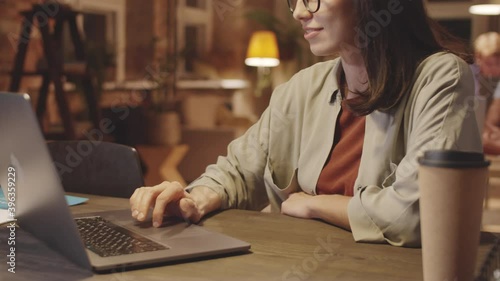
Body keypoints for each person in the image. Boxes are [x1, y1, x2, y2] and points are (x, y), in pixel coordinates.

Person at [130, 0, 481, 247]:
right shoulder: (302, 87)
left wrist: (317, 203)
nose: (299, 12)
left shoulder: (441, 76)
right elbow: (239, 169)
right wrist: (194, 198)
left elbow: (419, 213)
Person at [474, 32, 500, 154]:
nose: (494, 68)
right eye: (489, 64)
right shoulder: (470, 75)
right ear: (478, 58)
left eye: (498, 64)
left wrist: (491, 130)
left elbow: (494, 113)